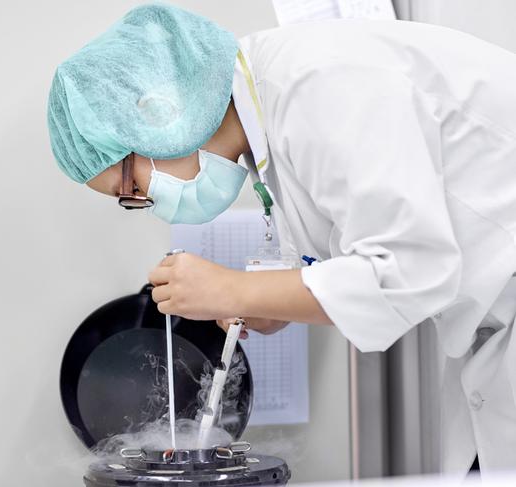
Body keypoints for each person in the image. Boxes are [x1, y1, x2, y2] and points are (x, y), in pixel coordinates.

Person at [47, 3, 516, 476]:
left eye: (130, 186)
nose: (143, 201)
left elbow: (412, 270)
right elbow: (385, 257)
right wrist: (275, 299)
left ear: (157, 112)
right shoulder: (267, 123)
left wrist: (234, 289)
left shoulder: (318, 84)